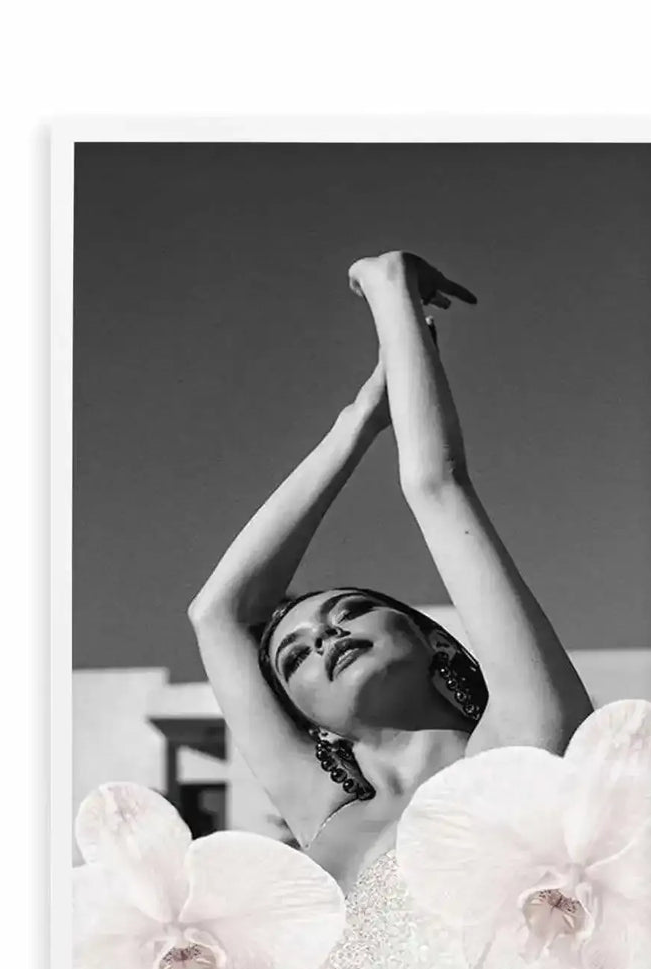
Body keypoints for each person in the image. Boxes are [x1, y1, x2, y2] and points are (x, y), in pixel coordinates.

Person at [188, 251, 593, 902]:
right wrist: (356, 421)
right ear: (302, 714)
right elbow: (216, 614)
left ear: (432, 636)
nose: (323, 639)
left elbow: (436, 483)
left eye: (347, 613)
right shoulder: (322, 812)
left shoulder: (523, 733)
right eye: (294, 656)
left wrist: (391, 289)